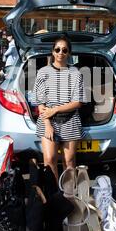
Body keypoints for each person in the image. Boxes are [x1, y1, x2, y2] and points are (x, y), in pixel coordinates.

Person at [32, 35, 86, 180]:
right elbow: (40, 102)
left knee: (69, 161)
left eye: (64, 50)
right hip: (47, 121)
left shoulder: (75, 73)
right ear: (53, 51)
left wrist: (55, 109)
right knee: (49, 160)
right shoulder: (43, 72)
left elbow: (78, 102)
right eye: (57, 49)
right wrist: (48, 124)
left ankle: (69, 195)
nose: (60, 52)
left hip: (70, 121)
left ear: (69, 53)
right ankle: (55, 195)